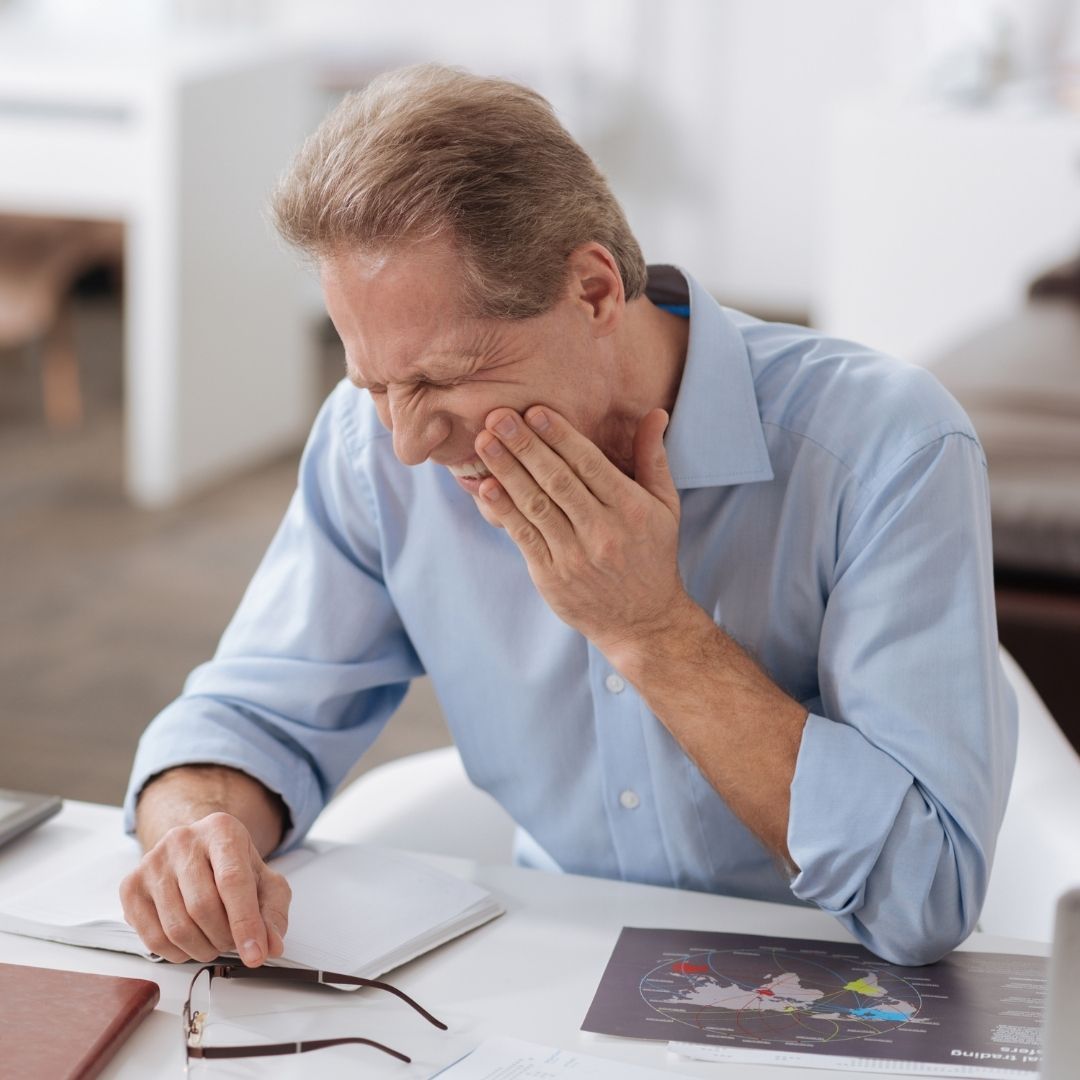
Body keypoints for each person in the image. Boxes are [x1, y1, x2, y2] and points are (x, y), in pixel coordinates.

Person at [120, 65, 1016, 970]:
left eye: (441, 378)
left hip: (840, 991)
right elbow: (250, 718)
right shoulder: (370, 444)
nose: (410, 443)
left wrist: (656, 634)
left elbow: (926, 896)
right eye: (376, 383)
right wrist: (197, 832)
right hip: (547, 985)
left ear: (592, 290)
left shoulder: (887, 449)